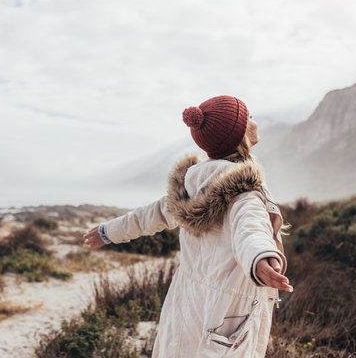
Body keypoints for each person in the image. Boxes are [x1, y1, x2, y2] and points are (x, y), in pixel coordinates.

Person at [83, 95, 292, 357]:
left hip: (187, 301)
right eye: (248, 117)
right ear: (239, 136)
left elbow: (145, 217)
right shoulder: (245, 193)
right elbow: (250, 229)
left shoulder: (191, 187)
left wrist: (107, 232)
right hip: (227, 310)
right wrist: (261, 257)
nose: (254, 121)